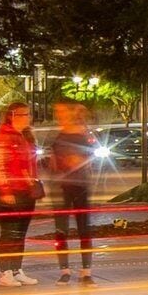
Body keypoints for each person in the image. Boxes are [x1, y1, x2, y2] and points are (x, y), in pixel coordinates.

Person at [44, 101, 100, 284]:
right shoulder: (55, 134)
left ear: (70, 112)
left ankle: (86, 271)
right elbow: (48, 158)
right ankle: (64, 270)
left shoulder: (84, 132)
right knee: (61, 229)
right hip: (60, 187)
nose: (58, 115)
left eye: (61, 111)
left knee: (84, 228)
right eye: (56, 111)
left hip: (80, 185)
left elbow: (93, 154)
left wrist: (79, 160)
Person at [0, 102, 41, 288]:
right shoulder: (1, 138)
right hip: (10, 191)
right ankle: (5, 272)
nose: (29, 117)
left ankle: (17, 270)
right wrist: (5, 190)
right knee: (9, 233)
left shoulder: (26, 137)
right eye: (24, 114)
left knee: (20, 233)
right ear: (13, 116)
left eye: (28, 114)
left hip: (26, 191)